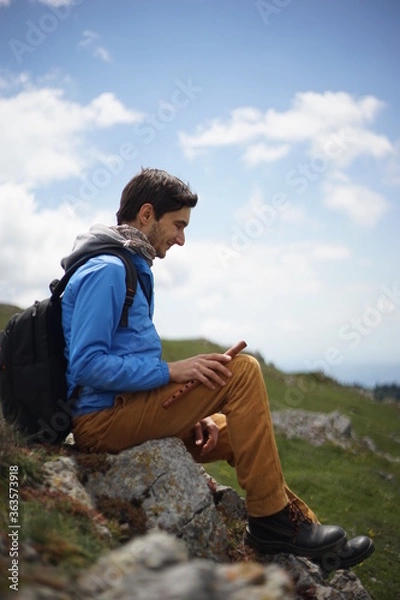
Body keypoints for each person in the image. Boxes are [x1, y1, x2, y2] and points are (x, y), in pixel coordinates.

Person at [61, 168, 374, 571]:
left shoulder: (130, 265)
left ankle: (305, 534)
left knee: (231, 430)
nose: (181, 238)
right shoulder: (107, 271)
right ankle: (270, 525)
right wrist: (171, 372)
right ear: (146, 214)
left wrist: (190, 413)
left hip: (126, 409)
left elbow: (127, 356)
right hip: (101, 422)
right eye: (178, 225)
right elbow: (87, 365)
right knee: (242, 371)